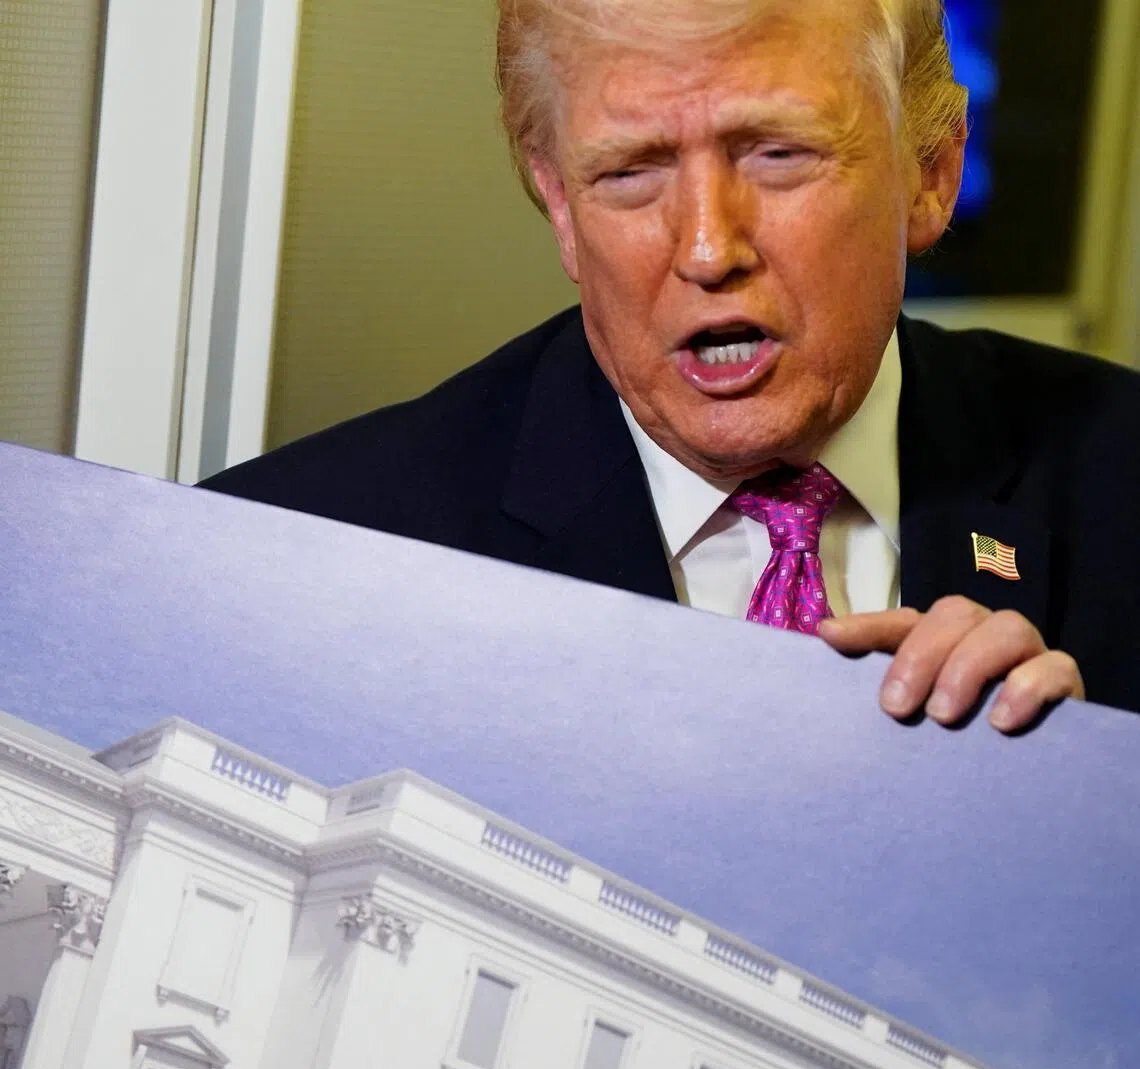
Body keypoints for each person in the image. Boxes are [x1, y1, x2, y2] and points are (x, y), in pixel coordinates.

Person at [201, 0, 1140, 725]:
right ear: (560, 207)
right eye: (631, 171)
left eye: (777, 153)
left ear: (931, 171)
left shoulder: (1119, 476)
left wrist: (1076, 815)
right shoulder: (292, 563)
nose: (704, 247)